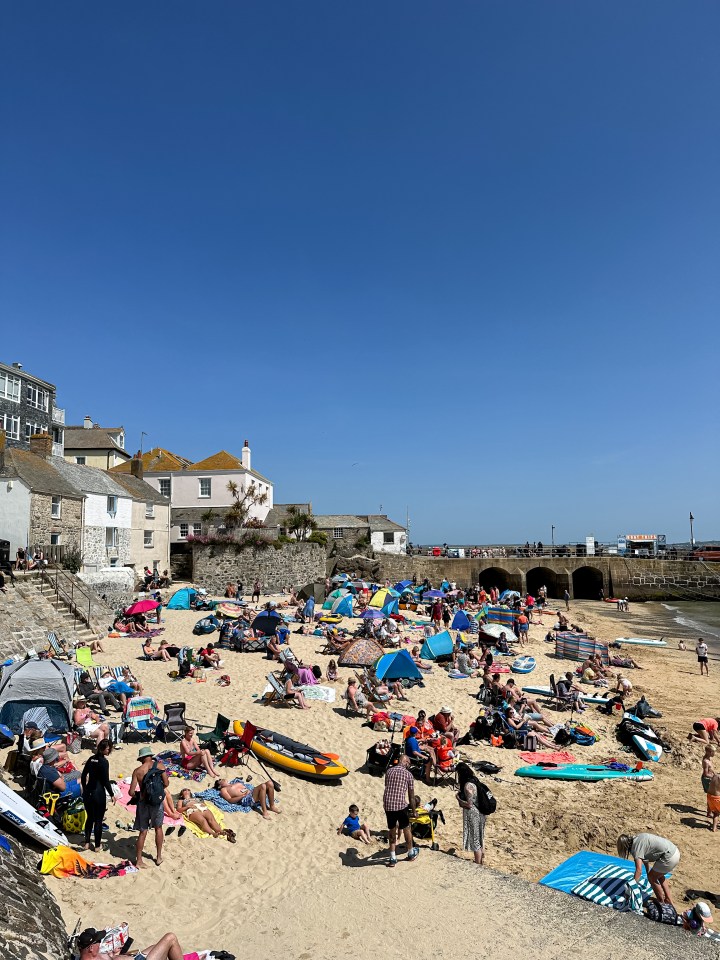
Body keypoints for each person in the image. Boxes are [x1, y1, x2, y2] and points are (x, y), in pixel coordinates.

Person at [129, 746, 168, 867]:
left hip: (143, 802)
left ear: (141, 758)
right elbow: (166, 783)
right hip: (157, 802)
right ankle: (159, 857)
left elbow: (130, 792)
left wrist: (139, 794)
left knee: (143, 831)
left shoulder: (137, 771)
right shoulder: (160, 766)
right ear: (151, 756)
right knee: (158, 828)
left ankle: (139, 860)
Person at [616, 833, 679, 907]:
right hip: (674, 851)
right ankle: (668, 900)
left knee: (652, 878)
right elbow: (645, 858)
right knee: (659, 876)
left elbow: (638, 871)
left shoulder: (636, 848)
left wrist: (631, 888)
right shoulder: (637, 838)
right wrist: (648, 871)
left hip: (669, 857)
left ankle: (661, 903)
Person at [383, 755, 418, 867]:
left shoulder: (389, 771)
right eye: (409, 764)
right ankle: (411, 853)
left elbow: (387, 786)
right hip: (400, 805)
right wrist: (414, 811)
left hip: (388, 804)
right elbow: (411, 797)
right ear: (406, 762)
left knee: (392, 829)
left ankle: (392, 857)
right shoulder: (408, 774)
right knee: (406, 827)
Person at [81, 739, 115, 851]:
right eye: (108, 748)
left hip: (88, 792)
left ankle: (86, 843)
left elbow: (83, 775)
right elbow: (105, 781)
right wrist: (112, 794)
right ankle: (97, 846)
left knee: (90, 818)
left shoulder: (91, 759)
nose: (109, 750)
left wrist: (85, 788)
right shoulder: (104, 762)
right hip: (98, 793)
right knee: (99, 820)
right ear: (103, 749)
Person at [78, 928, 184, 960]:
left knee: (155, 947)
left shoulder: (93, 955)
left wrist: (116, 954)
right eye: (99, 941)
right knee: (170, 938)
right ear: (91, 947)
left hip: (135, 958)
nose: (100, 943)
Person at [214, 777, 280, 819]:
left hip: (251, 792)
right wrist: (241, 796)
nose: (221, 779)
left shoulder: (234, 782)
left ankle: (272, 806)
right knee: (263, 786)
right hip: (245, 799)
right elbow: (230, 800)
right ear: (219, 786)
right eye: (219, 780)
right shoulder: (223, 790)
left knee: (270, 783)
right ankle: (264, 812)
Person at [459, 780, 485, 865]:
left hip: (473, 814)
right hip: (481, 812)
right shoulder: (476, 782)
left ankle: (478, 864)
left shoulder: (468, 786)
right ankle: (481, 860)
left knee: (475, 841)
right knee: (480, 837)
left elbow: (469, 805)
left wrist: (458, 798)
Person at [702, 745, 716, 818]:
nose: (714, 753)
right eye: (712, 752)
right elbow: (705, 774)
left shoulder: (708, 759)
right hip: (707, 780)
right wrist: (714, 776)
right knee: (711, 796)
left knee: (711, 796)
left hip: (711, 779)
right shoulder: (706, 761)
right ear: (708, 752)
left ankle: (710, 811)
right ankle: (709, 812)